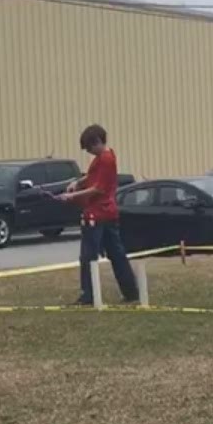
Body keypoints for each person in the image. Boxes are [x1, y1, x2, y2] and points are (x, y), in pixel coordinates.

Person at [56, 124, 139, 306]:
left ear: (97, 142)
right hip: (108, 213)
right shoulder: (102, 158)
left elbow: (97, 189)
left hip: (97, 214)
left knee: (88, 256)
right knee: (117, 253)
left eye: (89, 147)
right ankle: (131, 292)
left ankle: (88, 295)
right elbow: (92, 177)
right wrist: (77, 182)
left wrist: (71, 196)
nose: (88, 152)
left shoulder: (106, 159)